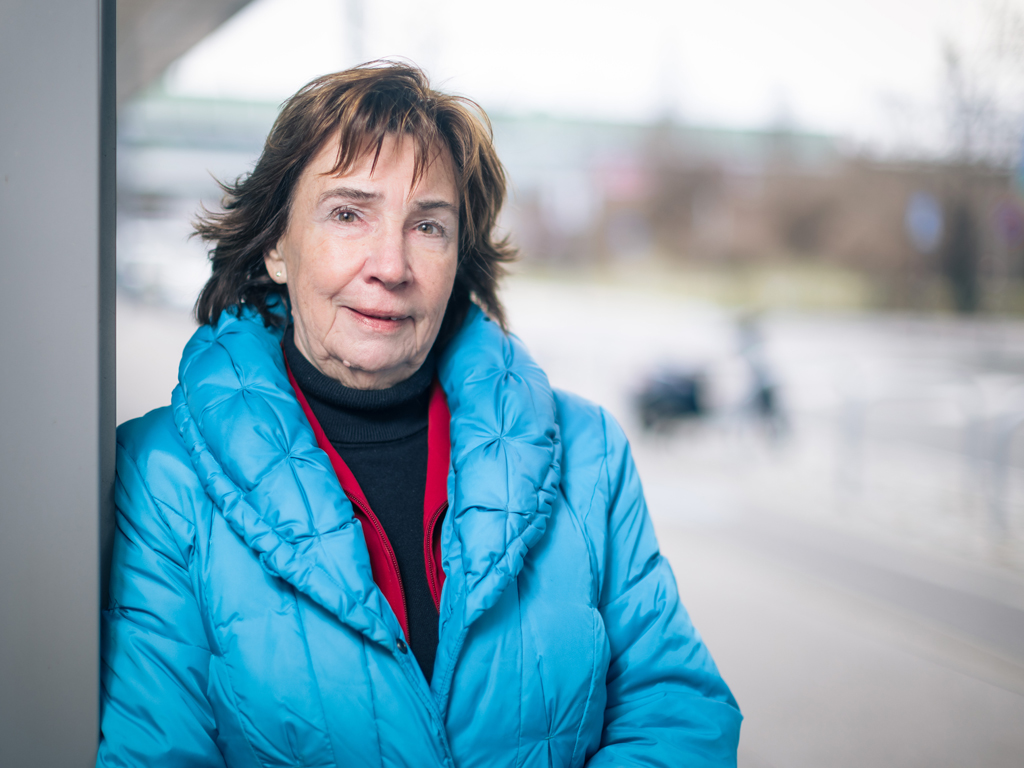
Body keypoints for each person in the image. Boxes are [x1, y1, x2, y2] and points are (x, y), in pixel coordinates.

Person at [98, 61, 741, 767]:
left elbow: (677, 709)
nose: (391, 265)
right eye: (349, 214)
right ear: (278, 244)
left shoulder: (588, 450)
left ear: (458, 256)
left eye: (427, 226)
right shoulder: (160, 476)